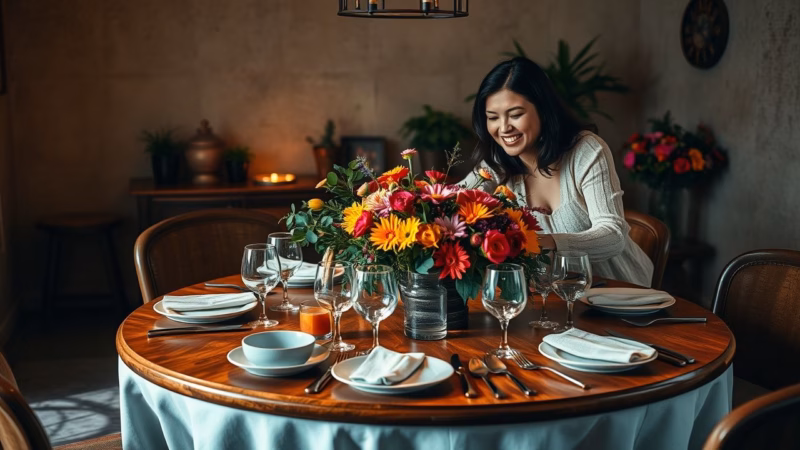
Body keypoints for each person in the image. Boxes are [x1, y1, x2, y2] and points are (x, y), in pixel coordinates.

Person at [461, 57, 653, 287]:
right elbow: (454, 200)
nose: (503, 128)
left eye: (515, 114)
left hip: (622, 295)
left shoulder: (586, 150)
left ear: (542, 109)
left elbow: (613, 236)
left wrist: (544, 243)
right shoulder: (496, 163)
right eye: (493, 117)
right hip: (557, 301)